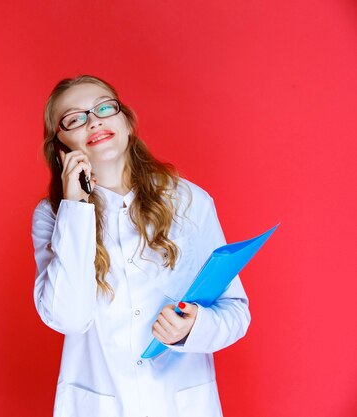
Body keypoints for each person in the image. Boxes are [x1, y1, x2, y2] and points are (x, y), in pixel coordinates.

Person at [31, 75, 251, 417]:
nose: (95, 121)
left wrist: (194, 328)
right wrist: (76, 206)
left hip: (181, 404)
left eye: (105, 107)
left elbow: (236, 311)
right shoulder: (53, 215)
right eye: (75, 118)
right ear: (60, 146)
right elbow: (69, 318)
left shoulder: (188, 200)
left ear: (127, 122)